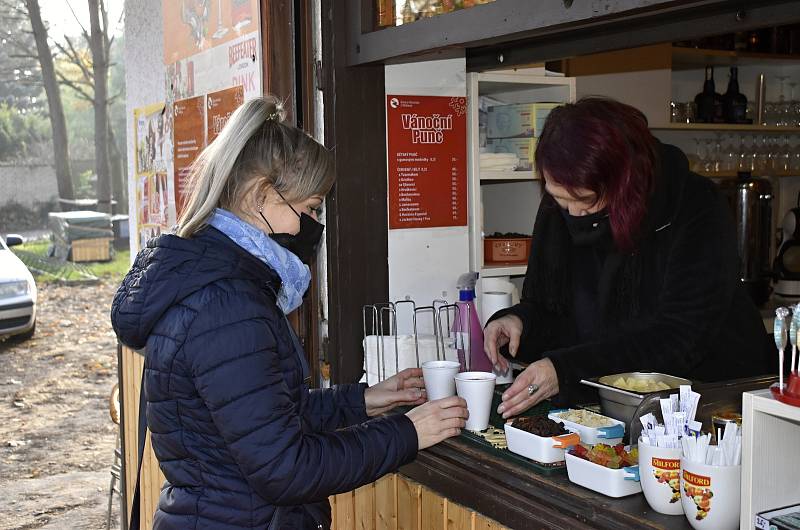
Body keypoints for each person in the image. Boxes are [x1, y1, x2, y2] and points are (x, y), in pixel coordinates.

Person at [111, 95, 469, 529]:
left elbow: (261, 416)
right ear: (263, 194)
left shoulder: (215, 283)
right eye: (311, 208)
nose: (312, 226)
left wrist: (363, 401)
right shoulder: (228, 305)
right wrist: (408, 433)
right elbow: (286, 469)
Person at [484, 97, 773, 419]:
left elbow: (679, 339)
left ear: (623, 181)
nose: (573, 212)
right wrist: (519, 321)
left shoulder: (695, 205)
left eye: (586, 200)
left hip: (713, 401)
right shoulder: (565, 202)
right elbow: (551, 308)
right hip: (613, 402)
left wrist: (565, 370)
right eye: (558, 198)